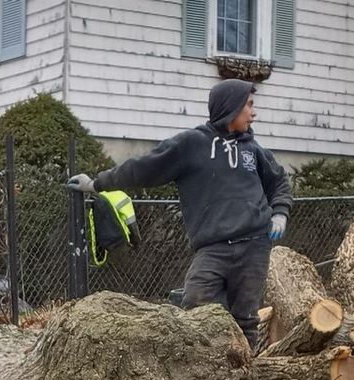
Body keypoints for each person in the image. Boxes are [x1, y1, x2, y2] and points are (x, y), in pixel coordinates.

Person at [72, 79, 291, 351]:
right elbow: (143, 168)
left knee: (245, 319)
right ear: (231, 107)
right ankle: (204, 367)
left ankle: (244, 378)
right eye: (249, 105)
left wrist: (280, 213)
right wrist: (96, 184)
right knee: (197, 308)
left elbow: (279, 182)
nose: (253, 113)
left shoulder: (253, 150)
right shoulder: (192, 144)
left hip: (254, 247)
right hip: (213, 248)